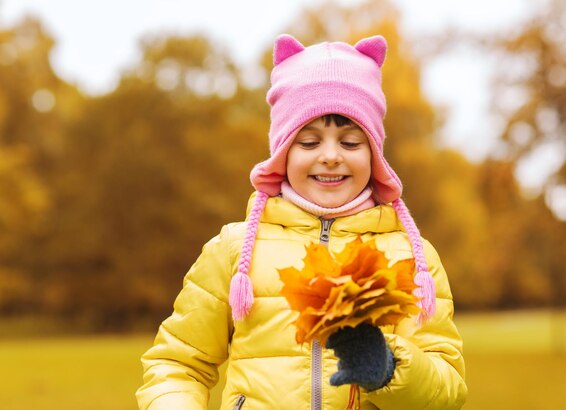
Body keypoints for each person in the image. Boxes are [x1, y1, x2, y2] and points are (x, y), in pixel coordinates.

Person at [136, 34, 467, 409]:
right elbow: (178, 364)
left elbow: (447, 393)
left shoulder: (412, 257)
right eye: (308, 142)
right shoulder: (234, 250)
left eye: (350, 142)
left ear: (374, 154)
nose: (329, 156)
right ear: (282, 153)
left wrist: (389, 368)